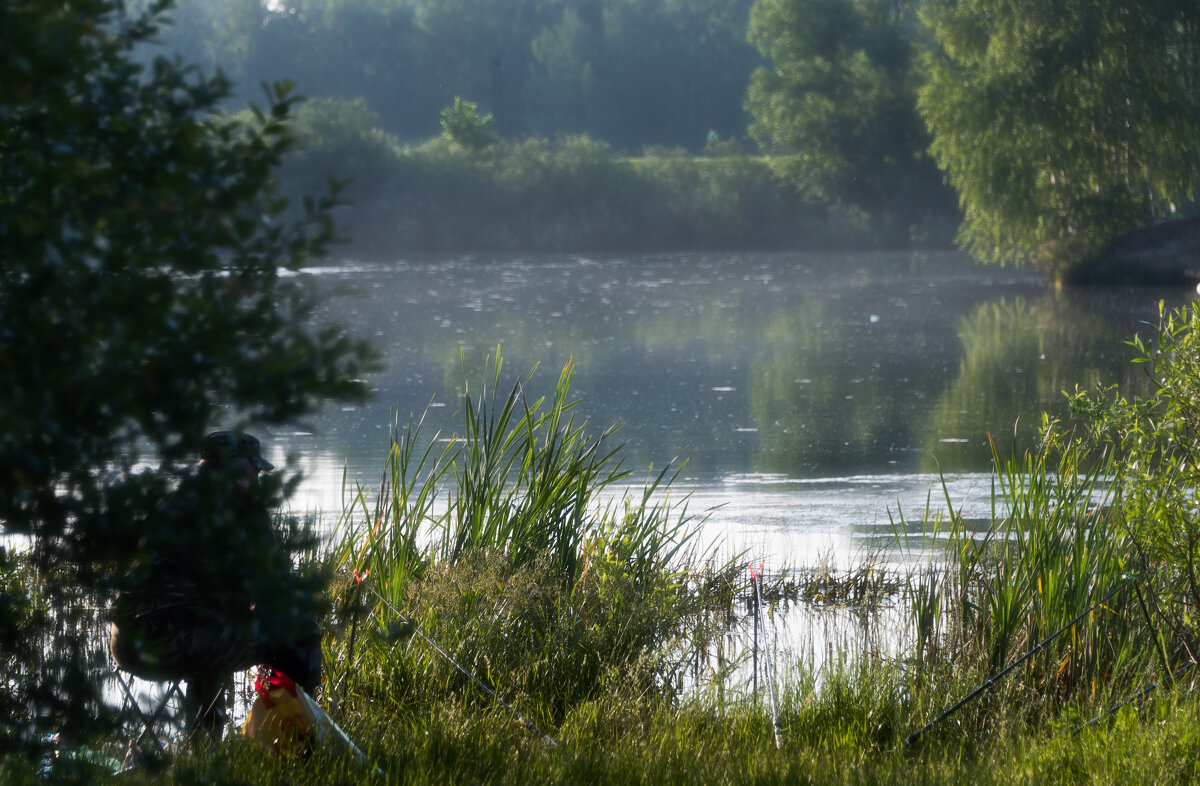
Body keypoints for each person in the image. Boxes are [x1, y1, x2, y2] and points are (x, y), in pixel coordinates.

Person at [109, 431, 322, 740]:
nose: (259, 479)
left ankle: (205, 745)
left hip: (126, 645)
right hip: (173, 645)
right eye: (255, 470)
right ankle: (296, 742)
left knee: (214, 628)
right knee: (301, 631)